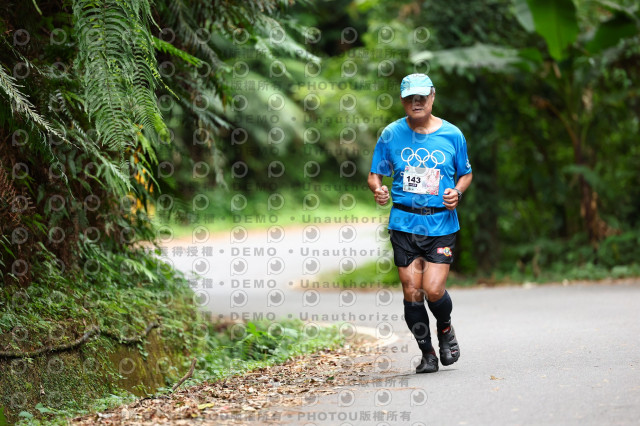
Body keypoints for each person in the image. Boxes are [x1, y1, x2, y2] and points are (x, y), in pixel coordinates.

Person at [368, 73, 473, 373]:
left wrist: (457, 192)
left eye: (422, 97)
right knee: (412, 290)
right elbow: (375, 174)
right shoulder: (391, 134)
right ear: (402, 101)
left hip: (441, 223)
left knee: (434, 289)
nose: (416, 102)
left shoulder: (453, 134)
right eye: (410, 98)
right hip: (404, 223)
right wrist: (378, 189)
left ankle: (445, 328)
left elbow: (466, 173)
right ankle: (427, 354)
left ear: (432, 97)